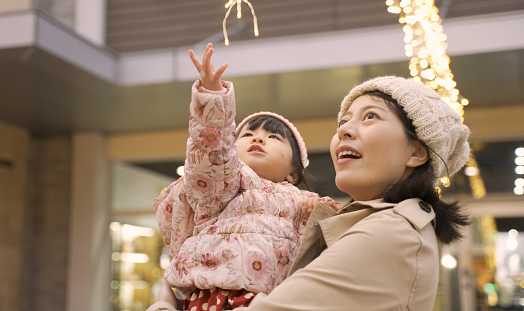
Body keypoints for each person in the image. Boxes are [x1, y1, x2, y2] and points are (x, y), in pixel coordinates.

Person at [148, 74, 471, 311]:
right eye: (343, 120)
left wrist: (164, 305)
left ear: (416, 152)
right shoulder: (355, 222)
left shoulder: (393, 230)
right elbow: (210, 158)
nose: (343, 128)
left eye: (371, 116)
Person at [153, 43, 340, 311]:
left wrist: (321, 213)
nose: (259, 138)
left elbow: (330, 246)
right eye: (248, 134)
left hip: (273, 301)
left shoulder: (303, 201)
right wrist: (213, 99)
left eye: (273, 137)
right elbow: (212, 151)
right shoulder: (225, 185)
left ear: (293, 172)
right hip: (214, 297)